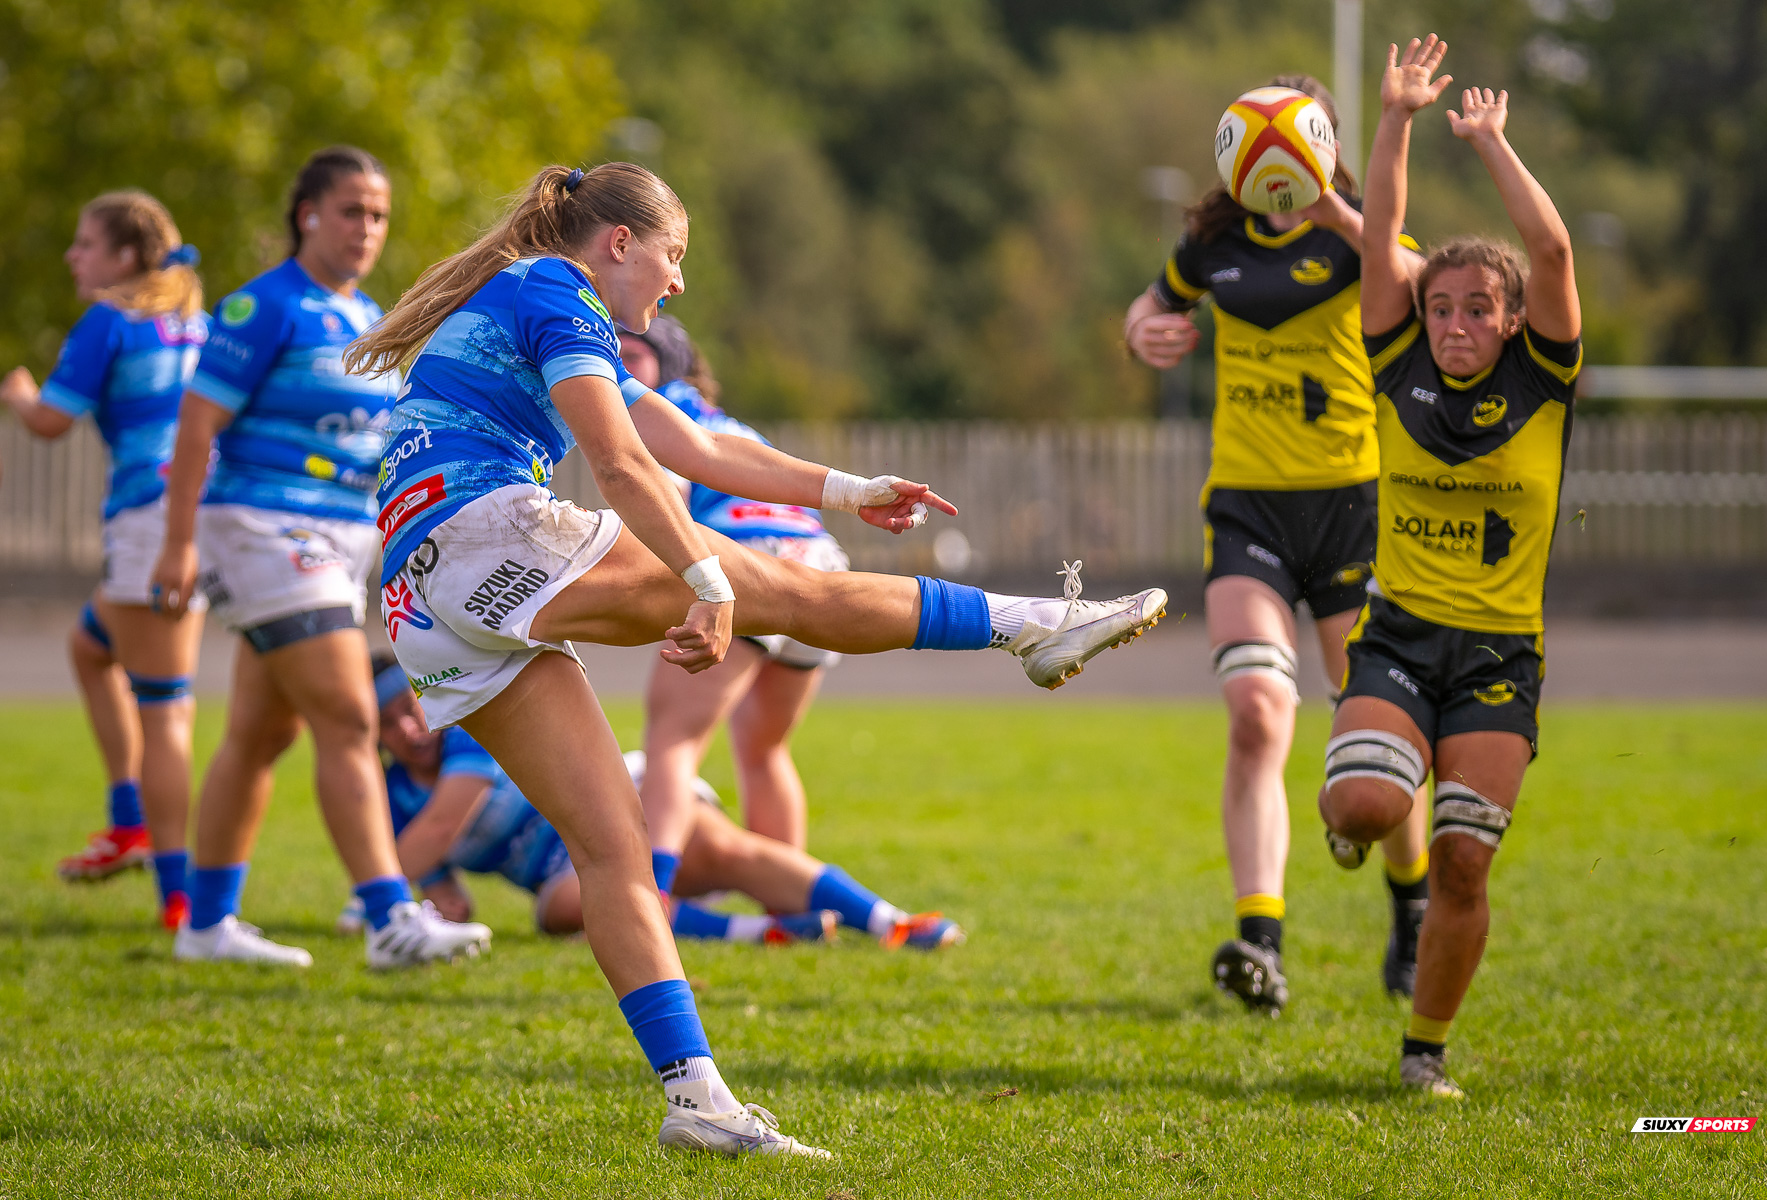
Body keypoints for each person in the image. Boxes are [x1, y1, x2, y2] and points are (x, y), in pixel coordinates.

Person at [335, 161, 1164, 1157]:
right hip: (480, 533)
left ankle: (700, 1103)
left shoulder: (528, 294)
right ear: (619, 244)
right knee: (787, 591)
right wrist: (707, 581)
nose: (677, 281)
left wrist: (852, 491)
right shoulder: (558, 288)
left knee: (617, 851)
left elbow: (689, 441)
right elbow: (624, 467)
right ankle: (1031, 625)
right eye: (673, 255)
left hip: (426, 594)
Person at [1123, 75, 1432, 1012]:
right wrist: (1143, 331)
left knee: (1374, 735)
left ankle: (1412, 910)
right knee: (1260, 711)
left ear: (1325, 144)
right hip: (1248, 510)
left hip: (1351, 508)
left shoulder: (1357, 244)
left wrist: (1343, 211)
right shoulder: (1210, 246)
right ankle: (1262, 941)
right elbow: (1150, 304)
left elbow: (1425, 291)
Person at [1318, 36, 1582, 1098]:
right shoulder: (1396, 367)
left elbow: (1554, 252)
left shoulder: (1545, 378)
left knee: (1466, 860)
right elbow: (1380, 235)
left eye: (1479, 308)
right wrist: (1396, 120)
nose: (1457, 323)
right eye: (1442, 306)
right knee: (1371, 812)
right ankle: (1358, 805)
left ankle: (1423, 1053)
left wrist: (1493, 144)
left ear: (1513, 321)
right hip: (1400, 637)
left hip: (1499, 657)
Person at [150, 146, 491, 968]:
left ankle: (207, 926)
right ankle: (388, 918)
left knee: (260, 736)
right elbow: (196, 430)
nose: (367, 228)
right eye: (350, 210)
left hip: (341, 545)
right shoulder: (262, 307)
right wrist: (178, 545)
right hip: (265, 530)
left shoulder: (367, 313)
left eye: (378, 214)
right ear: (307, 214)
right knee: (347, 715)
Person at [619, 318, 965, 950]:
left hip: (752, 567)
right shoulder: (729, 422)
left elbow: (660, 504)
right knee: (763, 749)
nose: (614, 359)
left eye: (629, 353)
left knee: (672, 740)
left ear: (667, 364)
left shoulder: (653, 415)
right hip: (820, 565)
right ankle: (795, 905)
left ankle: (655, 897)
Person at [359, 657, 961, 951]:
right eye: (388, 723)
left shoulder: (468, 731)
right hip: (566, 871)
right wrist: (433, 911)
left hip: (625, 797)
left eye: (411, 708)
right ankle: (761, 932)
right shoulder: (395, 798)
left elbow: (440, 829)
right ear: (376, 739)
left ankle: (892, 922)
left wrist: (369, 897)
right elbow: (446, 894)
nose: (409, 729)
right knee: (566, 907)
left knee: (728, 850)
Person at [1, 191, 208, 929]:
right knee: (89, 648)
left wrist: (19, 394)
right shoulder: (192, 320)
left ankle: (179, 898)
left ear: (123, 257)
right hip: (194, 515)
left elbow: (52, 422)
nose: (71, 255)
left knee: (166, 707)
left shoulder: (109, 321)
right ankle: (129, 823)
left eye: (84, 243)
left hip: (155, 523)